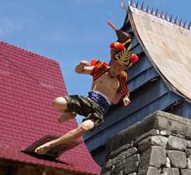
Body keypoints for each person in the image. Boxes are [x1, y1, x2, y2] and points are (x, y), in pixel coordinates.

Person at [34, 25, 139, 155]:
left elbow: (124, 93)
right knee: (56, 102)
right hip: (88, 100)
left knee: (84, 127)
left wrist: (126, 98)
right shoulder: (101, 68)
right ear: (111, 61)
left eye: (120, 68)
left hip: (100, 110)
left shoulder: (121, 78)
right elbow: (79, 71)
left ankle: (50, 144)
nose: (116, 70)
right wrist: (81, 65)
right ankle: (71, 112)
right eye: (115, 66)